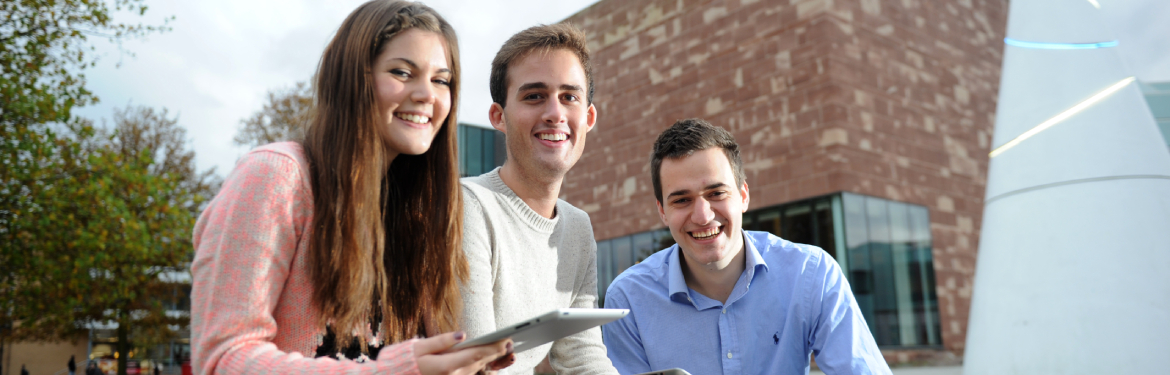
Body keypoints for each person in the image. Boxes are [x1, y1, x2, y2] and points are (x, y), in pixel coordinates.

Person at [190, 1, 510, 374]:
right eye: (403, 72)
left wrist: (463, 362)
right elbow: (223, 358)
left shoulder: (420, 210)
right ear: (353, 78)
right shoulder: (275, 177)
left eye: (441, 80)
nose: (427, 94)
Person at [602, 119, 892, 374]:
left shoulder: (810, 274)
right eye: (681, 200)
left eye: (716, 193)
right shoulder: (628, 301)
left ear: (743, 196)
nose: (703, 215)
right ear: (662, 211)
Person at [459, 23, 616, 374]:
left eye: (569, 97)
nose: (555, 113)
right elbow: (478, 364)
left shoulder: (577, 228)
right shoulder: (468, 206)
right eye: (534, 96)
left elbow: (582, 356)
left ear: (588, 117)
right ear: (499, 116)